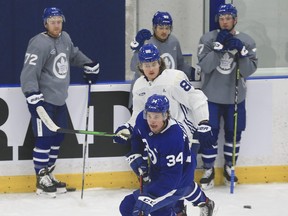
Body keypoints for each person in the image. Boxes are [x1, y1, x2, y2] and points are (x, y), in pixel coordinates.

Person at [114, 44, 214, 215]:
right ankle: (204, 203)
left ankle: (183, 210)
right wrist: (127, 128)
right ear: (140, 66)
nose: (150, 68)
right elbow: (139, 114)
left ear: (160, 63)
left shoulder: (174, 79)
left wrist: (204, 121)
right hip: (159, 138)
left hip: (185, 137)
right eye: (146, 65)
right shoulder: (139, 85)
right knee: (176, 182)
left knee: (178, 183)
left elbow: (196, 98)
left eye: (153, 63)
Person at [20, 7, 99, 198]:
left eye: (59, 21)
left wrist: (87, 63)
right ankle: (41, 178)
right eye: (53, 21)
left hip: (59, 100)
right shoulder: (39, 44)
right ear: (45, 23)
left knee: (57, 138)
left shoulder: (65, 38)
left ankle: (49, 174)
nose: (57, 25)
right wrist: (31, 93)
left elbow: (73, 54)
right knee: (44, 138)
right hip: (43, 101)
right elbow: (29, 70)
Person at [119, 94, 215, 216]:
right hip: (164, 171)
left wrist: (148, 197)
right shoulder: (142, 120)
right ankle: (205, 203)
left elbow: (171, 180)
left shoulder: (173, 138)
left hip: (176, 181)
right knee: (162, 208)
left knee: (129, 207)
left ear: (166, 116)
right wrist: (137, 154)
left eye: (156, 116)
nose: (152, 120)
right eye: (149, 115)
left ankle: (192, 206)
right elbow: (137, 136)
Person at [196, 3, 258, 190]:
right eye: (222, 19)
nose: (224, 22)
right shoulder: (207, 39)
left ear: (235, 19)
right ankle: (208, 170)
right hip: (211, 96)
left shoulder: (246, 41)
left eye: (228, 18)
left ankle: (230, 167)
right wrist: (217, 49)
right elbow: (205, 67)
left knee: (234, 133)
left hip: (235, 98)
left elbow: (248, 71)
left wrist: (242, 54)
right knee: (209, 134)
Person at [128, 11, 199, 109]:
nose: (164, 31)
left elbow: (180, 64)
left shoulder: (174, 41)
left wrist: (194, 73)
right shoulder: (146, 42)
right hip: (145, 93)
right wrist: (137, 49)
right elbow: (133, 67)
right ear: (154, 27)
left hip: (167, 94)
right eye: (161, 28)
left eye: (167, 28)